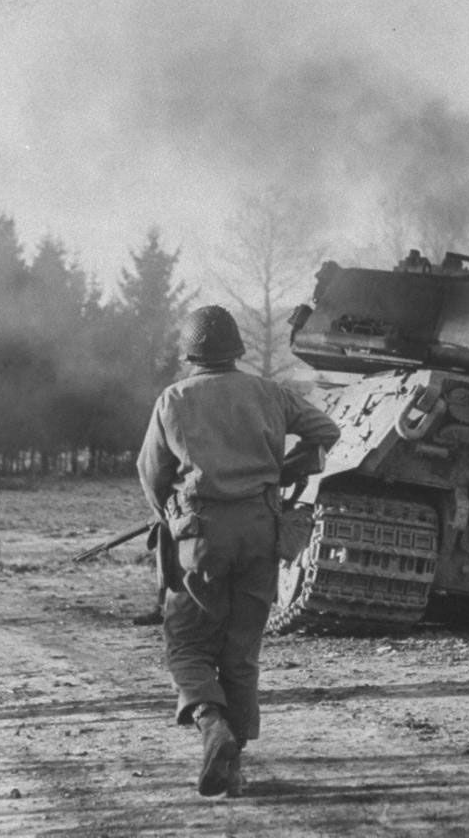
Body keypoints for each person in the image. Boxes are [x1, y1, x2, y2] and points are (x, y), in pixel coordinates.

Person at [137, 305, 340, 798]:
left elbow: (151, 474)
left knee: (186, 645)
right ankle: (234, 767)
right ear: (236, 350)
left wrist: (171, 512)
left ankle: (212, 726)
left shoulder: (174, 398)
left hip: (203, 536)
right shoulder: (270, 392)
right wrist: (283, 470)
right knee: (242, 650)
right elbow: (326, 432)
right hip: (261, 531)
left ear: (190, 353)